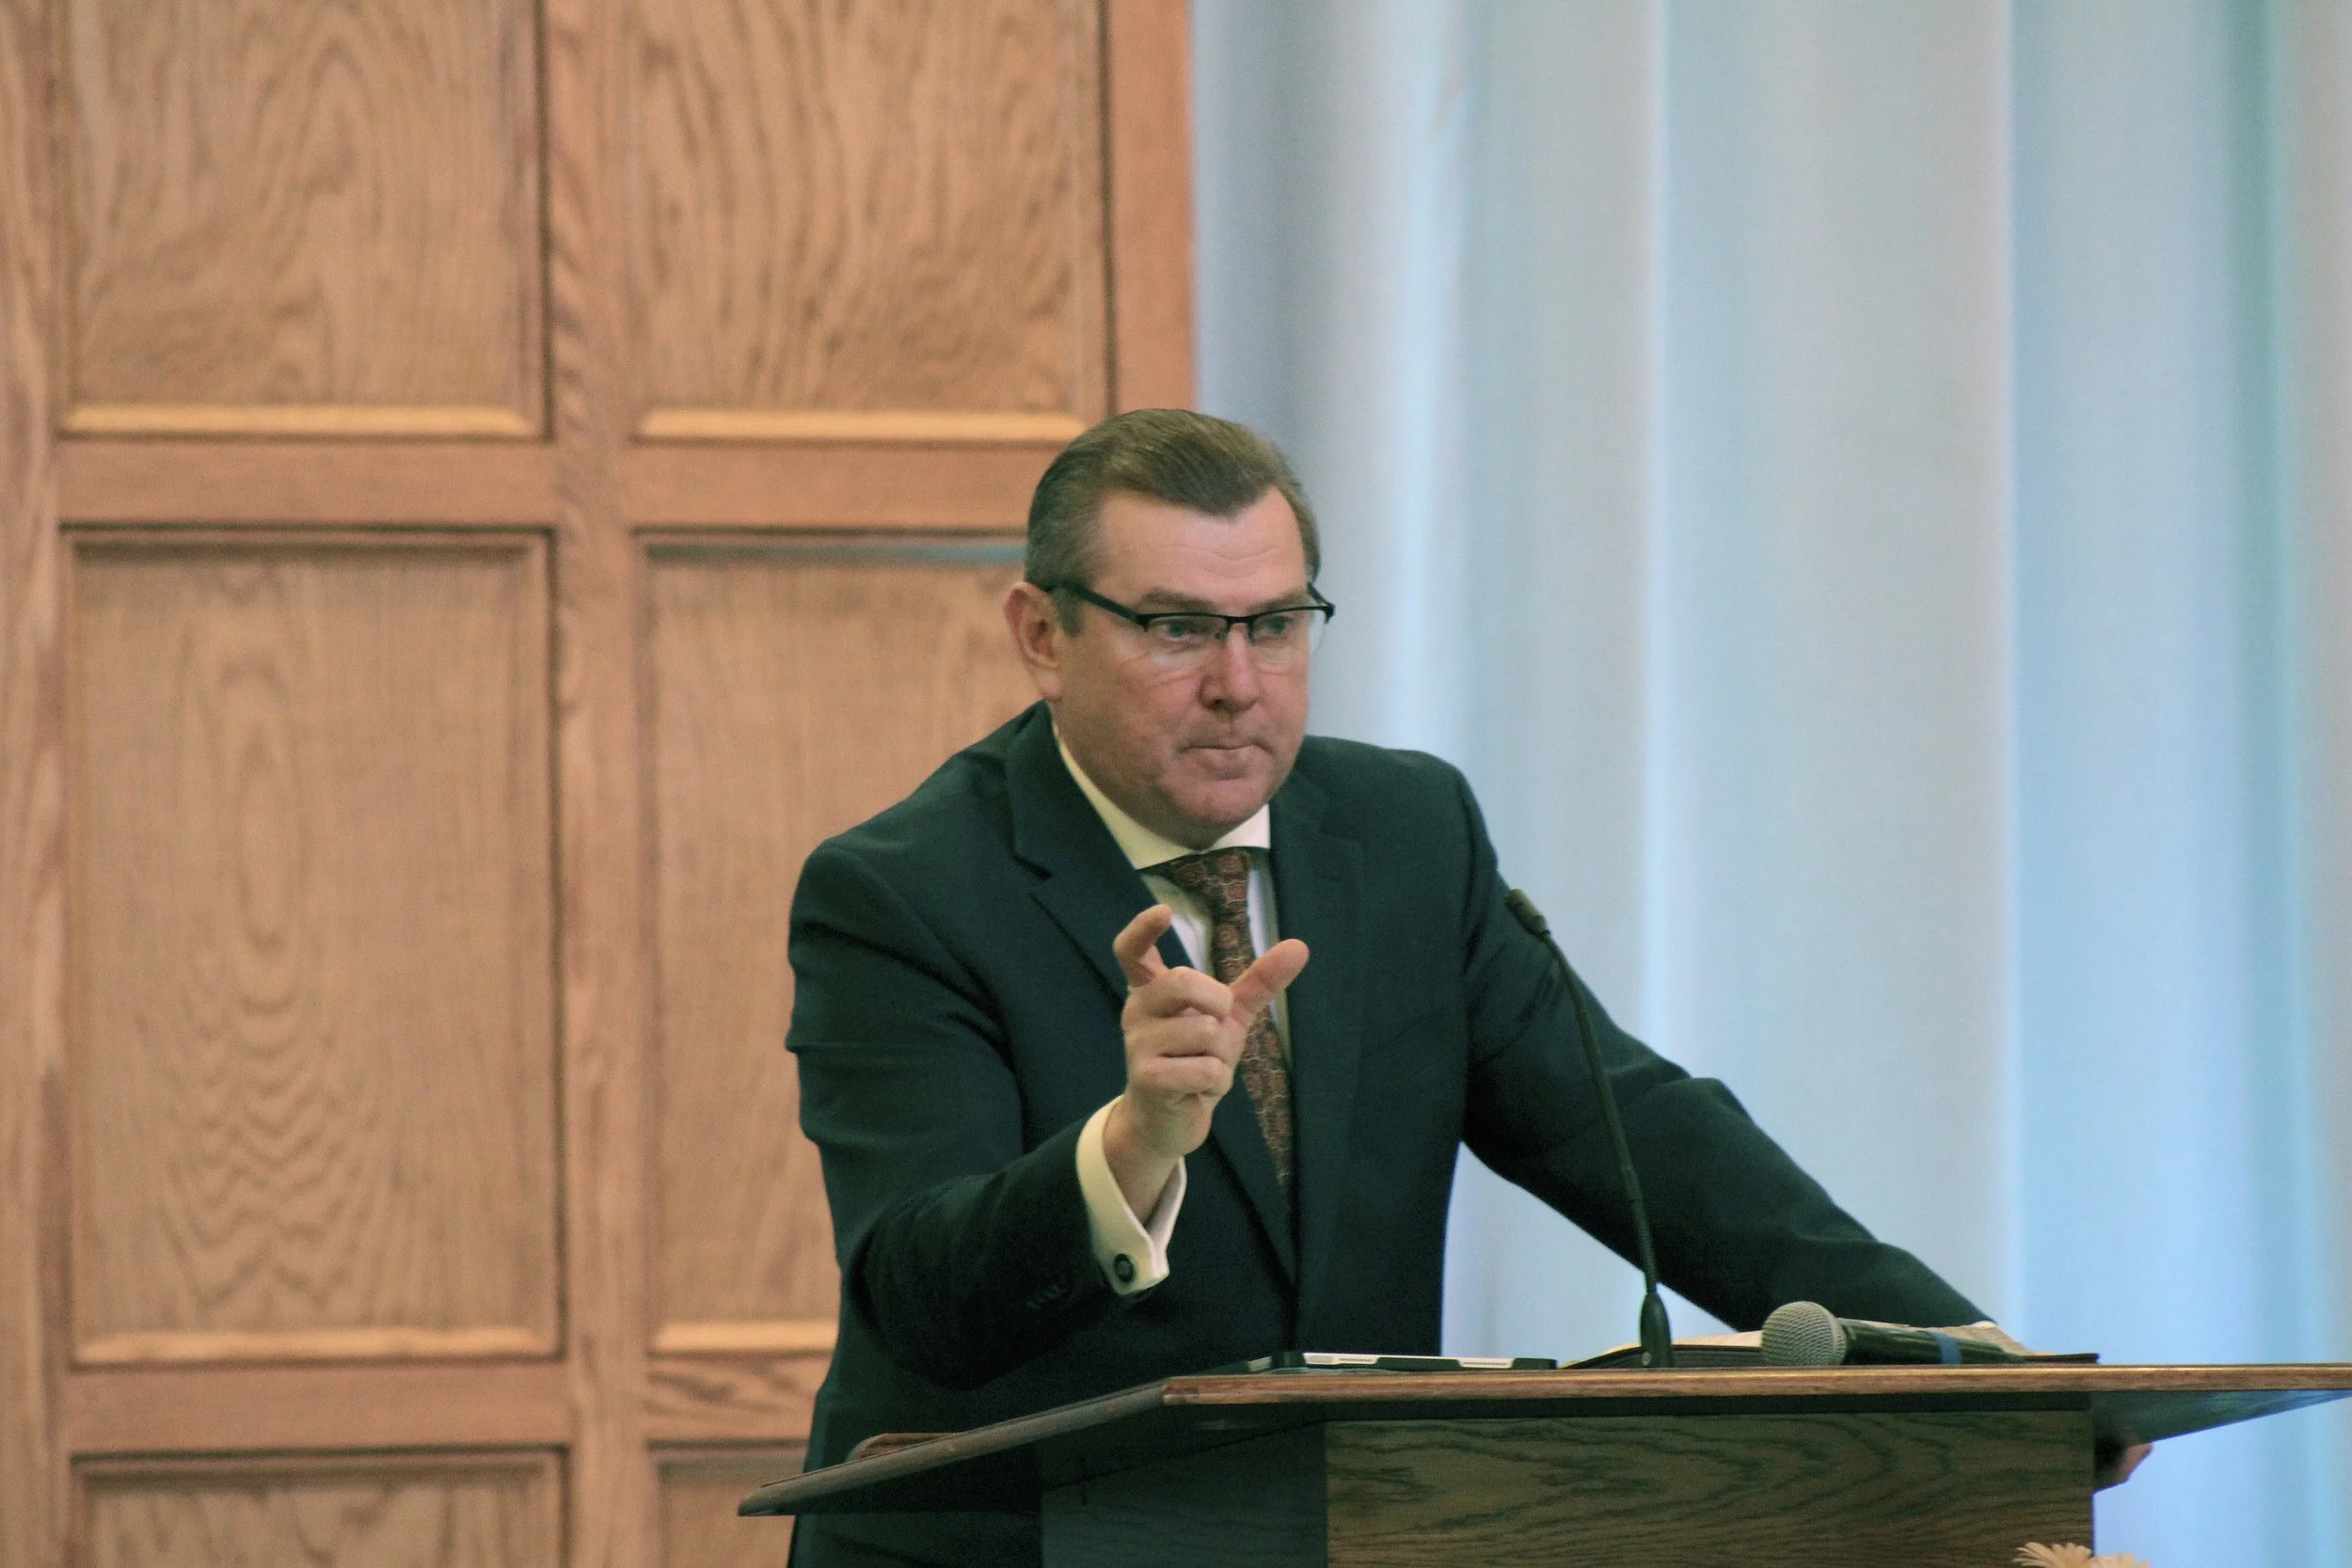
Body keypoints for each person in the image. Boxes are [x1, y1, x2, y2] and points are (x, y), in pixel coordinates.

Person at [784, 409, 1994, 1567]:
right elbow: (921, 1294)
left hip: (1343, 1527)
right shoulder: (903, 890)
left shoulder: (1407, 832)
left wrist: (1969, 1364)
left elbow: (1641, 1138)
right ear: (1044, 635)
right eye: (1177, 628)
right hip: (1013, 1545)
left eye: (1276, 624)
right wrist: (1131, 1144)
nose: (1238, 682)